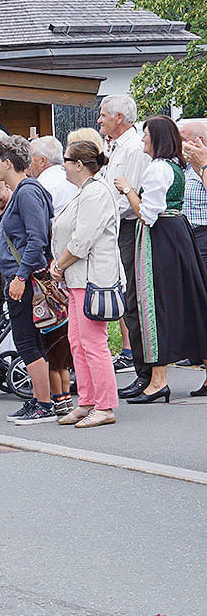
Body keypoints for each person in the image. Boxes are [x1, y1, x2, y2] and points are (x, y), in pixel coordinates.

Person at [114, 115, 207, 403]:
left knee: (156, 306)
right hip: (178, 233)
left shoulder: (157, 169)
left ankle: (158, 381)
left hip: (161, 238)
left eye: (146, 135)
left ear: (157, 139)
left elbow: (147, 214)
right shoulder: (176, 167)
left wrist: (128, 189)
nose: (142, 140)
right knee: (191, 302)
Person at [48, 140, 121, 427]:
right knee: (78, 343)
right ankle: (88, 400)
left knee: (93, 343)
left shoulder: (96, 193)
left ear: (78, 164)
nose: (62, 165)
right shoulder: (85, 191)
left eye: (66, 160)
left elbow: (82, 239)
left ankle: (105, 406)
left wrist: (59, 263)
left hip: (92, 279)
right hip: (78, 278)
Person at [0, 136, 58, 424]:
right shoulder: (23, 191)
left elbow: (36, 238)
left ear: (8, 163)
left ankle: (43, 403)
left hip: (26, 279)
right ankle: (40, 399)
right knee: (29, 339)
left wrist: (19, 276)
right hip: (22, 277)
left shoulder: (27, 192)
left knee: (27, 340)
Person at [99, 95, 152, 397]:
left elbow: (128, 200)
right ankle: (143, 372)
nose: (100, 120)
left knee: (133, 299)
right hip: (120, 228)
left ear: (119, 117)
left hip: (130, 228)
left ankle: (145, 373)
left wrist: (101, 214)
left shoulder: (133, 148)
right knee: (128, 297)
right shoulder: (120, 146)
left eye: (104, 114)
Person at [179, 119, 207, 396]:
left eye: (184, 139)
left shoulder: (202, 165)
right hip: (191, 236)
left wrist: (202, 167)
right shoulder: (185, 168)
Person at [29, 135, 77, 212]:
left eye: (30, 158)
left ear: (42, 161)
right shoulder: (73, 179)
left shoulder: (42, 187)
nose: (28, 163)